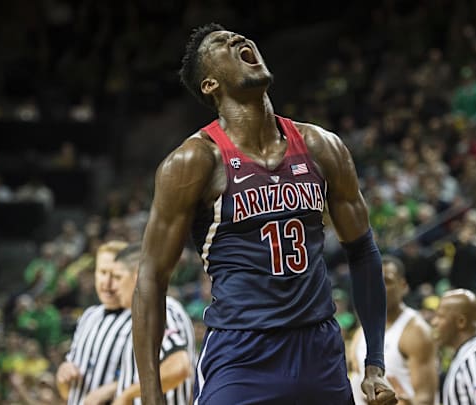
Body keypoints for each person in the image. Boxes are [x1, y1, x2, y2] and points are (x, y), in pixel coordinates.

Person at [132, 23, 395, 405]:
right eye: (222, 43)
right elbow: (151, 279)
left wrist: (374, 364)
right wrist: (153, 397)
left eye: (238, 36)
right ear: (210, 85)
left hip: (319, 349)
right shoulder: (193, 161)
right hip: (242, 353)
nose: (237, 39)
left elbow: (363, 250)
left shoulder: (322, 146)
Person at [109, 243, 196, 405]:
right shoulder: (151, 311)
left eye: (118, 278)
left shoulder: (158, 310)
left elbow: (179, 367)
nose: (113, 286)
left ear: (136, 276)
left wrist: (127, 395)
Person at [350, 256, 438, 404]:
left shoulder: (416, 330)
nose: (378, 287)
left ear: (403, 285)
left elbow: (426, 398)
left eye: (386, 281)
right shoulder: (361, 333)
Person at [56, 240, 131, 405]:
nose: (107, 282)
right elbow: (67, 392)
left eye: (116, 275)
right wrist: (63, 374)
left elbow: (159, 381)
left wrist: (114, 389)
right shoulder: (89, 316)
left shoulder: (143, 322)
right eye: (102, 272)